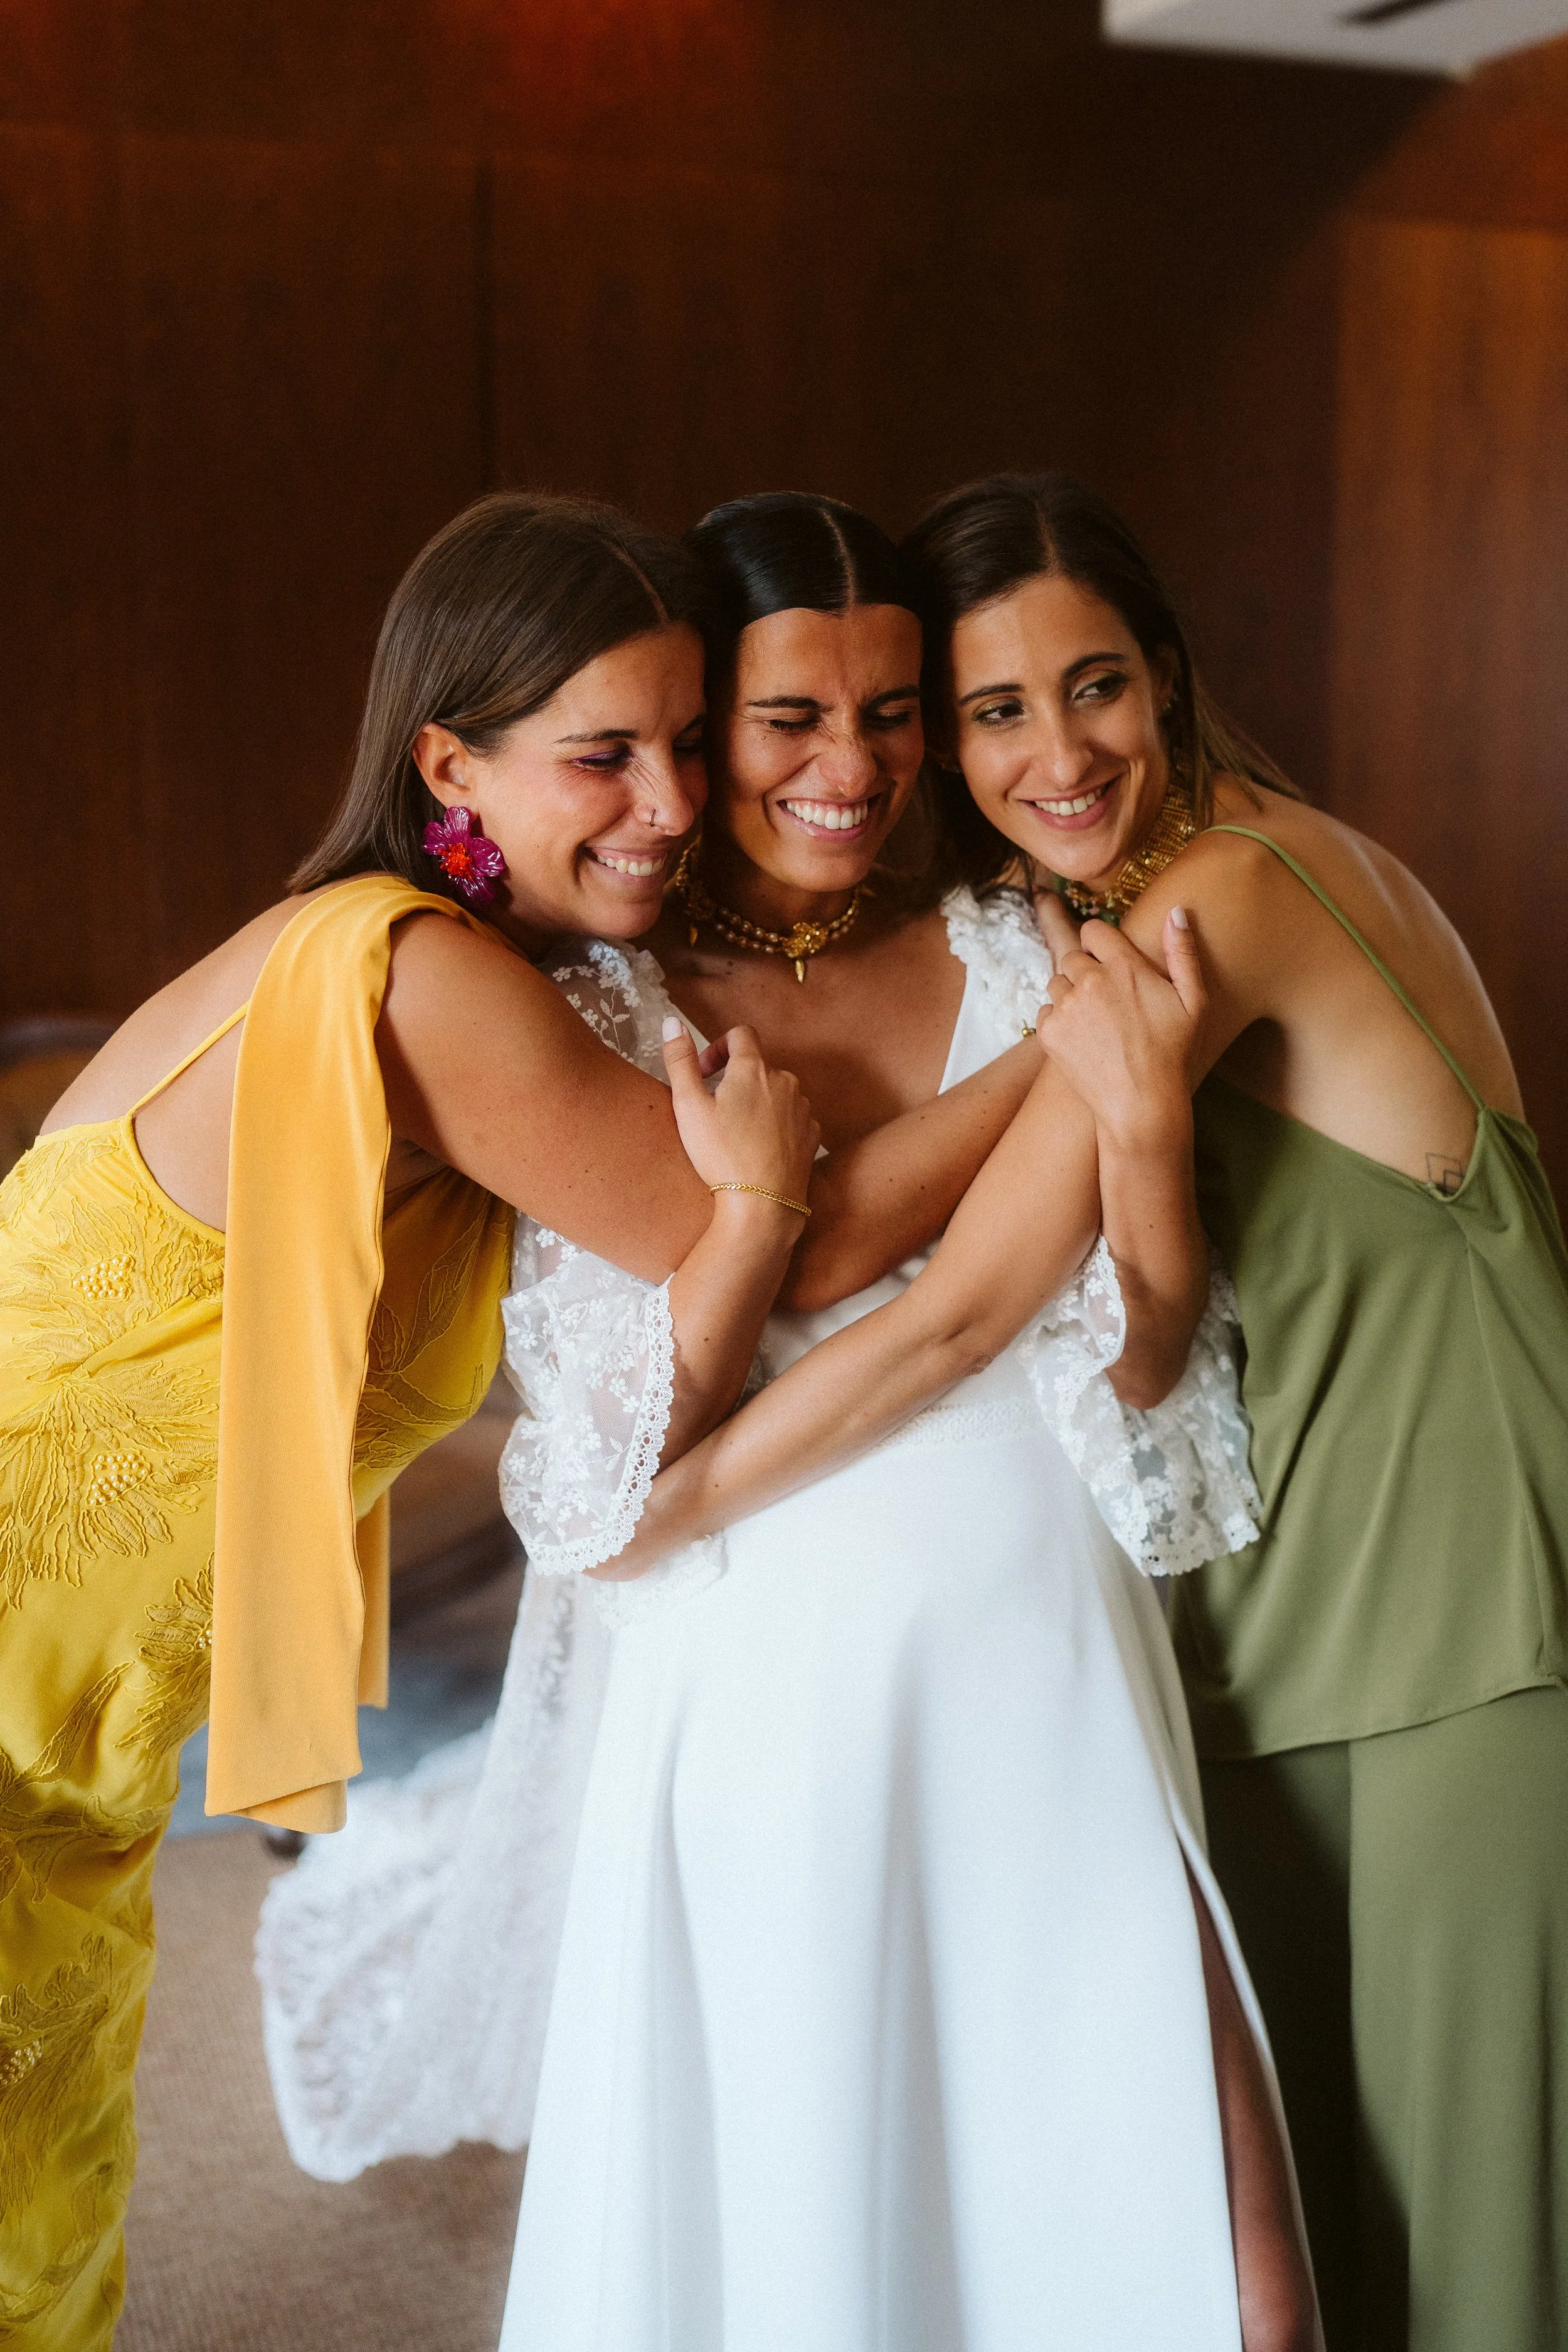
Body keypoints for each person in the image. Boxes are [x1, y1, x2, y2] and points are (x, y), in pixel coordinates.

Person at [260, 493, 1315, 2351]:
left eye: (894, 710)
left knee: (1210, 2255)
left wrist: (1118, 1106)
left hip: (1044, 1659)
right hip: (766, 1684)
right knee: (817, 2232)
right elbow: (615, 1459)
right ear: (699, 726)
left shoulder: (1022, 945)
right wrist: (1025, 1096)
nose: (854, 767)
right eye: (788, 718)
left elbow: (1142, 1355)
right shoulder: (598, 999)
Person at [627, 471, 1568, 2351]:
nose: (1054, 748)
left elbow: (949, 1298)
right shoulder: (1113, 917)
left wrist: (662, 1503)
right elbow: (1140, 1324)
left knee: (1477, 2239)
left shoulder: (1227, 890)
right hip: (1293, 1623)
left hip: (1461, 1613)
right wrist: (1105, 1115)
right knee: (1326, 2222)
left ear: (1171, 679)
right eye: (988, 711)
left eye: (1095, 686)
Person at [0, 489, 832, 2352]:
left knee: (39, 2206)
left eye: (693, 742)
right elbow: (782, 1230)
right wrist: (1063, 1079)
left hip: (67, 1731)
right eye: (603, 754)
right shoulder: (422, 980)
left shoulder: (408, 958)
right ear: (450, 759)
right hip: (13, 1675)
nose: (675, 802)